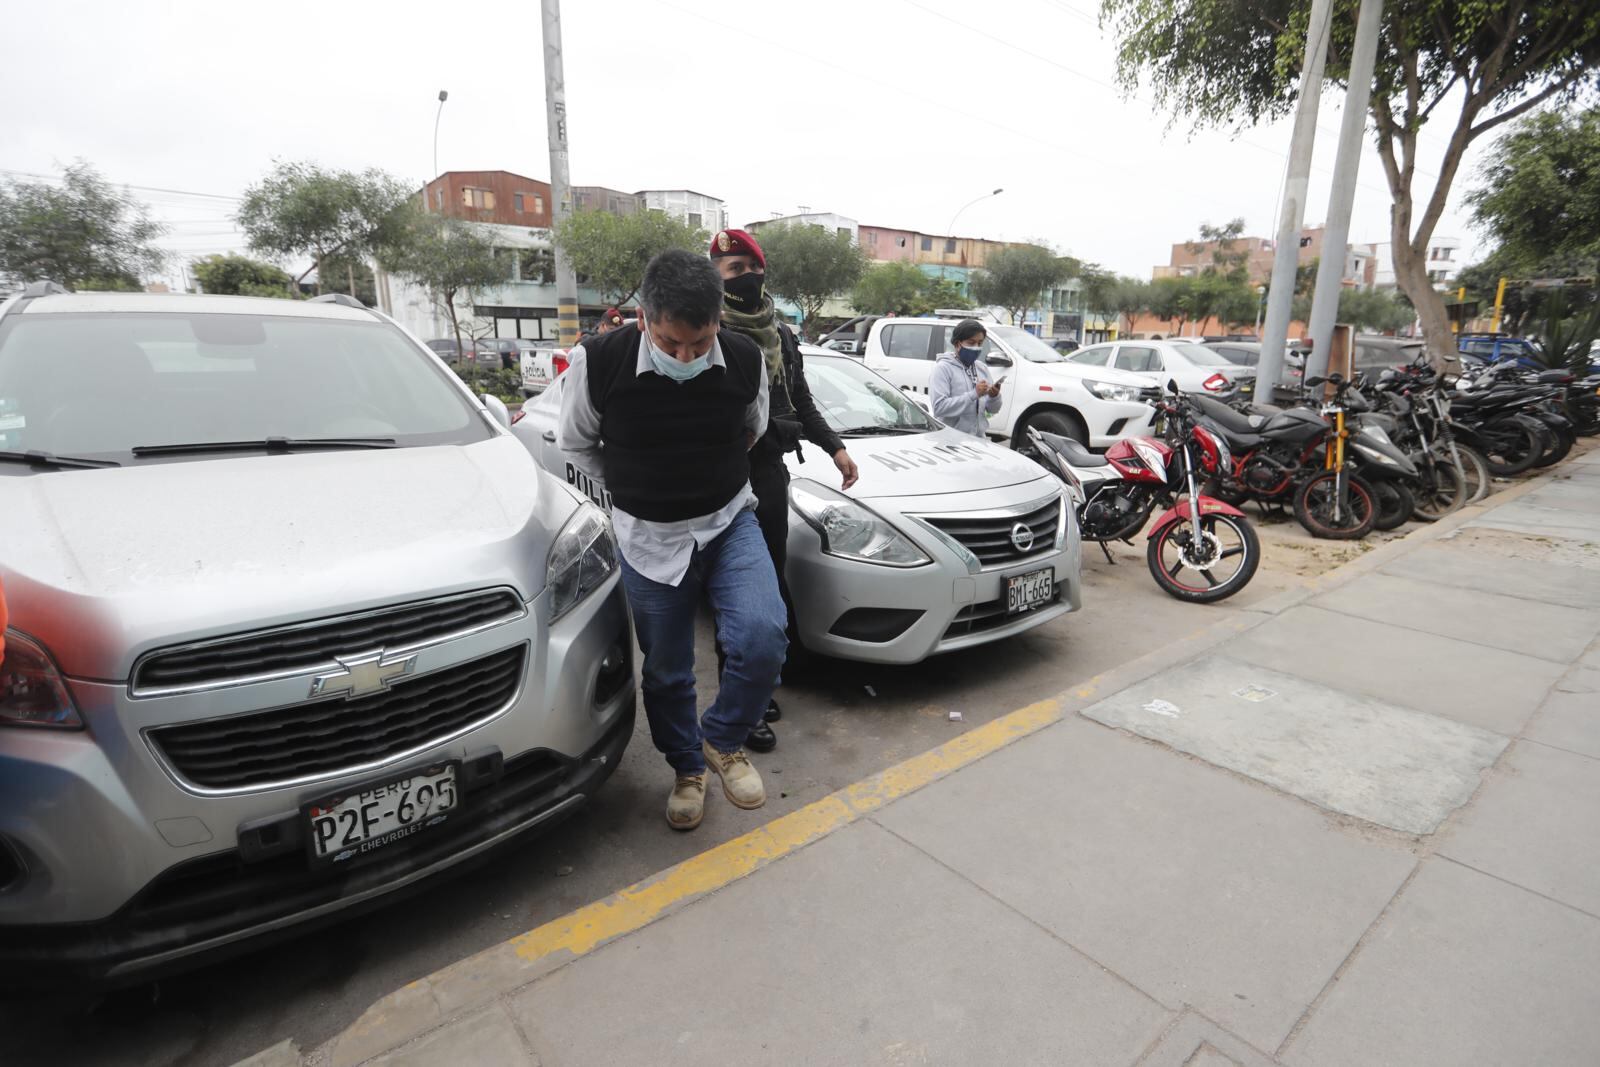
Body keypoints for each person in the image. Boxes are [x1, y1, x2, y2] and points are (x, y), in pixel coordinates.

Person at [559, 249, 787, 831]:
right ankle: (689, 770)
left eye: (700, 342)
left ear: (718, 323)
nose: (687, 356)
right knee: (667, 670)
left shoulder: (742, 359)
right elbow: (578, 443)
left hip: (728, 521)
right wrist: (638, 485)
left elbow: (753, 429)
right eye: (670, 343)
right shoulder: (599, 364)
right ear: (644, 321)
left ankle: (722, 740)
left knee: (763, 635)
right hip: (648, 538)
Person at [710, 228, 859, 753]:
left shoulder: (781, 335)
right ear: (717, 278)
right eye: (733, 273)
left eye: (751, 270)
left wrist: (835, 447)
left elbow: (801, 398)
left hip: (769, 472)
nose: (745, 280)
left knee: (767, 580)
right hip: (720, 475)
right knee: (732, 590)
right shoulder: (709, 331)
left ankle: (757, 683)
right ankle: (739, 699)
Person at [929, 318, 1002, 438]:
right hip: (950, 441)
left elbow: (992, 410)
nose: (976, 347)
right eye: (971, 342)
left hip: (978, 440)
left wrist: (995, 397)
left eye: (980, 343)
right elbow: (939, 408)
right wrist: (974, 394)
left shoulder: (981, 368)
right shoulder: (943, 368)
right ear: (958, 344)